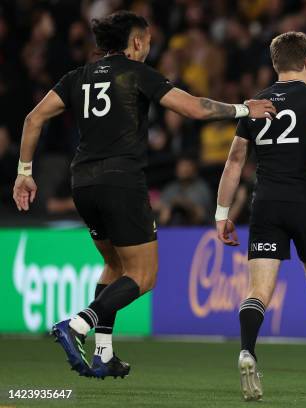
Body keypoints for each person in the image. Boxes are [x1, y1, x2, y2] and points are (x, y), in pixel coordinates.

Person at [12, 11, 275, 379]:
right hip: (121, 182)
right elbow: (195, 108)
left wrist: (25, 173)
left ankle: (103, 353)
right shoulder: (136, 73)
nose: (149, 46)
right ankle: (77, 325)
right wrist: (246, 108)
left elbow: (32, 119)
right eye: (147, 40)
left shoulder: (77, 77)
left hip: (83, 183)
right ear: (135, 42)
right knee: (145, 275)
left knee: (116, 266)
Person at [215, 31, 306, 400]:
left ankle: (247, 350)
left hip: (266, 204)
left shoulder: (256, 103)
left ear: (275, 64)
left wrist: (221, 212)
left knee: (258, 291)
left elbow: (234, 161)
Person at [159, 155, 213, 225]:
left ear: (194, 170)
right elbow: (161, 206)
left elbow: (201, 212)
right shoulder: (171, 188)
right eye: (181, 166)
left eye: (187, 166)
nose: (184, 169)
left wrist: (182, 203)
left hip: (197, 227)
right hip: (172, 226)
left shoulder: (201, 188)